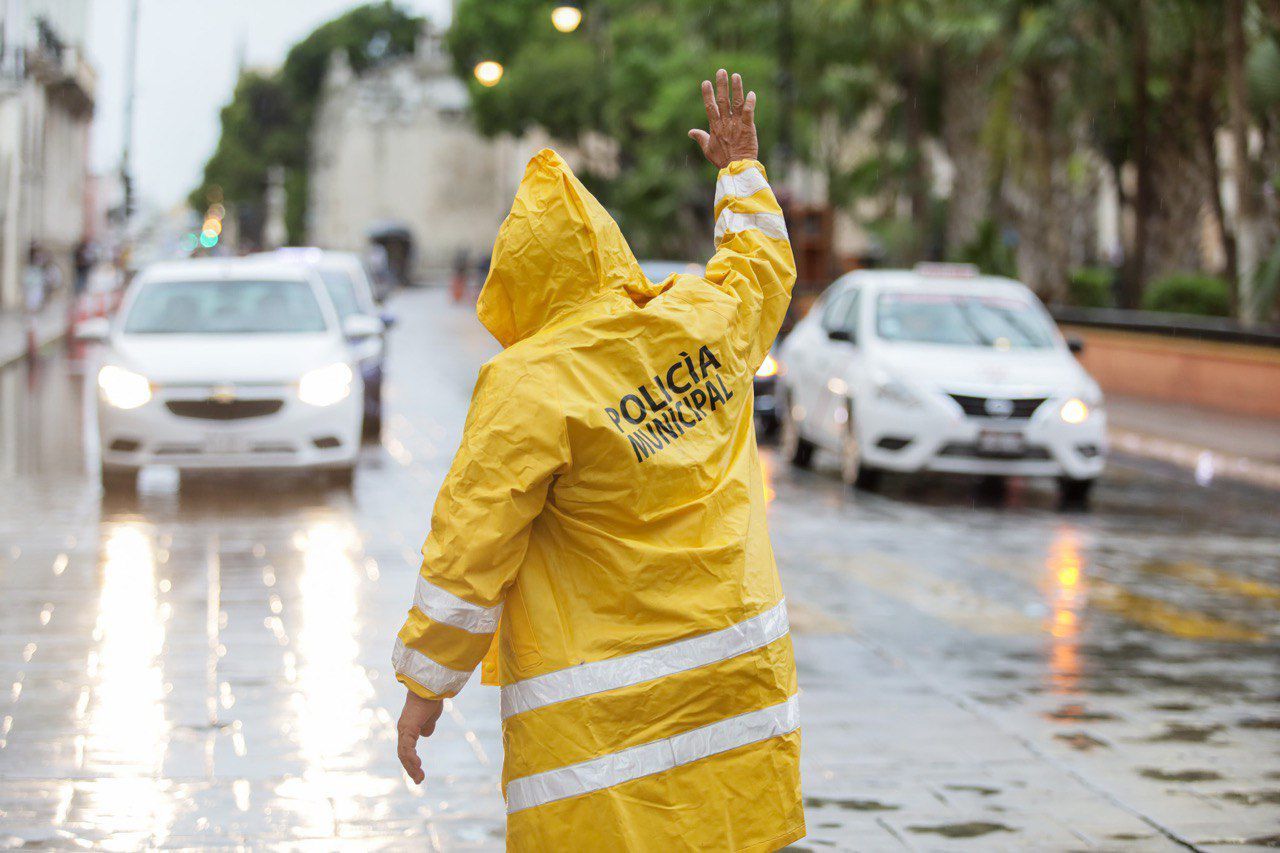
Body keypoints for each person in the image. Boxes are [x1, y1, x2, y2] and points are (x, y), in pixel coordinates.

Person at [393, 70, 802, 851]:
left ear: (515, 279)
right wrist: (739, 166)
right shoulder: (702, 319)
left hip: (602, 731)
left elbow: (470, 546)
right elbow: (761, 264)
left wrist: (426, 685)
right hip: (739, 692)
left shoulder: (528, 383)